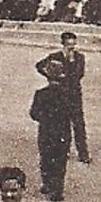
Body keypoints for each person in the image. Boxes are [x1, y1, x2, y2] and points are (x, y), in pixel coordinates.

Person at [36, 31, 90, 163]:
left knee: (79, 125)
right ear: (63, 44)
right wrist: (51, 76)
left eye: (73, 44)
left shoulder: (79, 58)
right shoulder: (55, 56)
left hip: (74, 96)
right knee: (63, 125)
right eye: (69, 45)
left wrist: (68, 68)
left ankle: (83, 153)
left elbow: (79, 74)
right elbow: (39, 66)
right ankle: (64, 150)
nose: (72, 47)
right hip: (60, 95)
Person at [30, 62, 74, 201]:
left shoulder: (41, 94)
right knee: (60, 161)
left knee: (46, 158)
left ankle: (47, 183)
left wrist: (45, 118)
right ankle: (57, 190)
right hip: (63, 133)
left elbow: (33, 114)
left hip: (46, 132)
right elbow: (73, 113)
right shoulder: (68, 95)